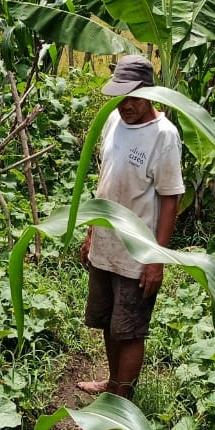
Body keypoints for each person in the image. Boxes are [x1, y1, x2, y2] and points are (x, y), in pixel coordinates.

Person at [78, 55, 185, 399]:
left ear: (151, 94)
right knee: (109, 323)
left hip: (136, 253)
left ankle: (120, 406)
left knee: (130, 331)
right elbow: (105, 181)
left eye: (134, 97)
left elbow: (170, 199)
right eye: (120, 97)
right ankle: (112, 386)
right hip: (105, 245)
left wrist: (156, 259)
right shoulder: (113, 120)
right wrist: (92, 231)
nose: (126, 105)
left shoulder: (164, 136)